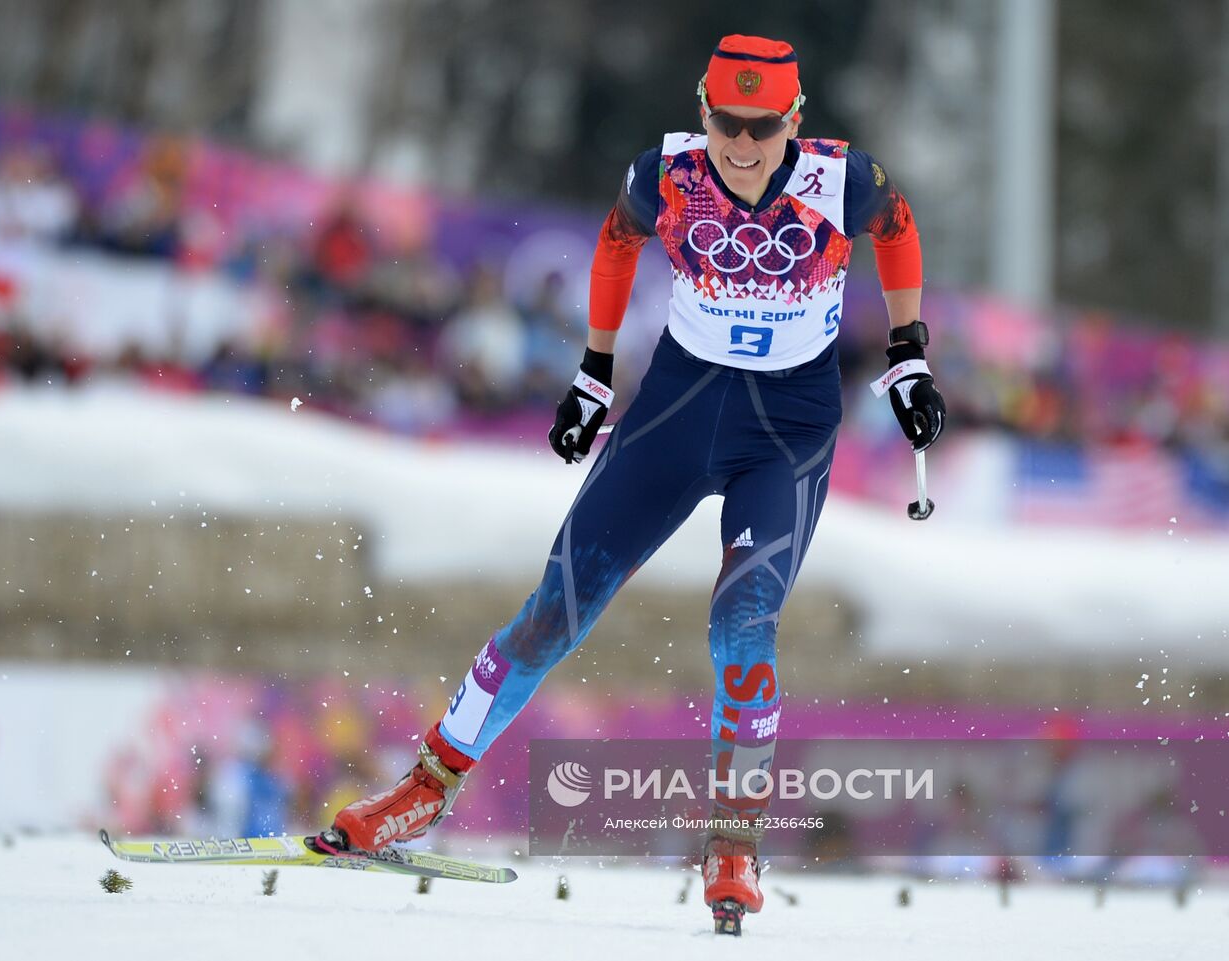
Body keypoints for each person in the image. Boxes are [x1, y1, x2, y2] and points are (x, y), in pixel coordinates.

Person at [319, 33, 946, 934]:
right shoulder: (667, 174)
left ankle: (733, 840)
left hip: (789, 430)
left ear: (794, 123)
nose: (740, 146)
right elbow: (616, 246)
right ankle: (425, 789)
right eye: (726, 124)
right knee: (553, 609)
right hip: (677, 413)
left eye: (761, 128)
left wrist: (908, 356)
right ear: (704, 112)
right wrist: (592, 372)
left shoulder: (844, 180)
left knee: (742, 622)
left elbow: (899, 231)